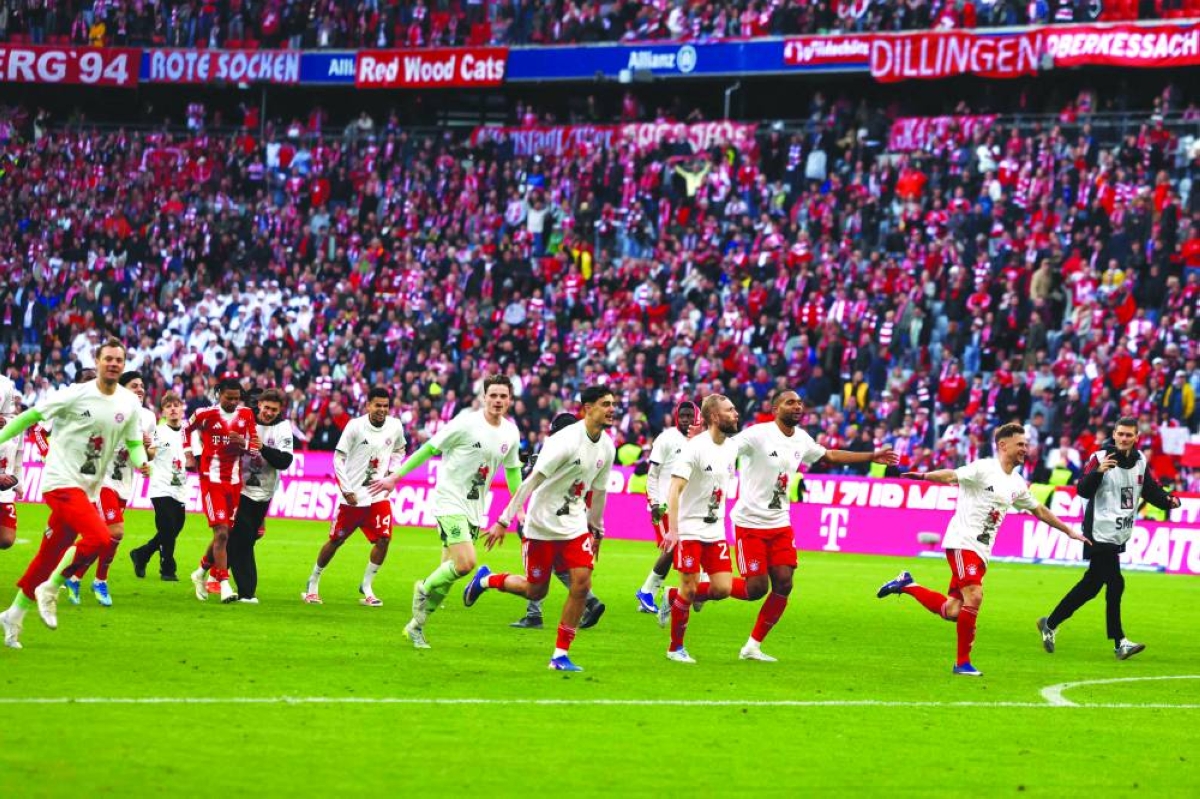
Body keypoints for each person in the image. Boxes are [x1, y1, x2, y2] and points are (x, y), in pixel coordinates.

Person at [876, 423, 1089, 676]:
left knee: (954, 611)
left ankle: (907, 585)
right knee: (975, 595)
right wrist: (924, 476)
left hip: (981, 551)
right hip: (962, 541)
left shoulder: (1017, 483)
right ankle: (962, 663)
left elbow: (1039, 510)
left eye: (1026, 444)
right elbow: (951, 476)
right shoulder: (984, 468)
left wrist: (1070, 531)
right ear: (1003, 445)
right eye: (1020, 444)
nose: (1025, 449)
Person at [728, 390, 899, 661]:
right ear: (775, 409)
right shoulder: (756, 435)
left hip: (780, 522)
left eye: (799, 403)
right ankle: (705, 586)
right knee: (755, 589)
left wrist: (870, 456)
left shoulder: (802, 438)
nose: (797, 406)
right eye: (790, 402)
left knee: (784, 583)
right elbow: (725, 448)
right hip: (750, 522)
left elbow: (829, 456)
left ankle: (752, 646)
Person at [0, 337, 147, 649]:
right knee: (100, 539)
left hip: (88, 489)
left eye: (118, 360)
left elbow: (134, 443)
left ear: (123, 364)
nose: (113, 364)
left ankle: (13, 614)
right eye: (108, 358)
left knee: (47, 556)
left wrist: (142, 462)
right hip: (60, 482)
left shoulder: (129, 403)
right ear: (97, 361)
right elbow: (30, 418)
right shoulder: (74, 394)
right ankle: (51, 589)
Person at [466, 384, 617, 672]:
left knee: (582, 584)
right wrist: (503, 520)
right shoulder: (564, 441)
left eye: (612, 404)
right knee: (535, 592)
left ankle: (560, 654)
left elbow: (598, 491)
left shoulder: (607, 447)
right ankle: (486, 580)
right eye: (605, 404)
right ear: (588, 408)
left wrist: (596, 529)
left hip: (573, 524)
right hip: (542, 524)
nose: (612, 409)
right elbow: (531, 481)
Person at [371, 375, 521, 648]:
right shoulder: (465, 424)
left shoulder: (511, 433)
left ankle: (416, 626)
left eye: (503, 396)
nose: (498, 401)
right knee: (465, 563)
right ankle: (423, 587)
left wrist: (517, 506)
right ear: (484, 397)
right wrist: (396, 476)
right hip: (449, 501)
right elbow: (429, 449)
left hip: (475, 508)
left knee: (450, 574)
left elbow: (512, 471)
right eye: (493, 395)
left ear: (510, 400)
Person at [1037, 417, 1181, 660]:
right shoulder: (1099, 457)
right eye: (1120, 434)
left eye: (1129, 435)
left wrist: (1167, 501)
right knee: (1116, 582)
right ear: (1114, 434)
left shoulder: (1140, 460)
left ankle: (1049, 623)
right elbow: (1082, 489)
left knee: (1091, 586)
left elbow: (1147, 488)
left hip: (1118, 532)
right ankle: (1120, 642)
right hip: (1099, 530)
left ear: (1136, 438)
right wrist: (1098, 472)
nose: (1124, 438)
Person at [59, 370, 157, 607]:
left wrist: (145, 455)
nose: (140, 389)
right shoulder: (112, 410)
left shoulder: (149, 417)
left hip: (124, 483)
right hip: (103, 481)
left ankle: (74, 575)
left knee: (104, 538)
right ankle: (97, 580)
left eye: (142, 385)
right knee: (116, 532)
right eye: (135, 385)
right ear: (123, 390)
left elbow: (149, 453)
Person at [303, 386, 406, 606]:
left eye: (385, 406)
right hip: (353, 496)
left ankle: (367, 586)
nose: (382, 410)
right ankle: (313, 582)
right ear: (368, 405)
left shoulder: (395, 426)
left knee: (384, 539)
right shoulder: (355, 426)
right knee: (336, 540)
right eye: (377, 405)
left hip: (378, 495)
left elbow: (400, 450)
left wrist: (391, 473)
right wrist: (347, 490)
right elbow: (338, 458)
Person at [657, 394, 741, 664]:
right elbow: (675, 488)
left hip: (715, 530)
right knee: (690, 590)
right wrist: (673, 529)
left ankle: (671, 597)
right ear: (715, 417)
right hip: (690, 528)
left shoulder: (732, 448)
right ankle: (675, 648)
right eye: (730, 410)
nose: (736, 413)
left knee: (722, 589)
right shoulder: (693, 448)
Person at [507, 412, 608, 631]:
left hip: (544, 520)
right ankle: (590, 601)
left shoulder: (556, 451)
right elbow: (595, 492)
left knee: (539, 571)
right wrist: (594, 527)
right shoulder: (591, 456)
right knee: (560, 566)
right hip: (575, 522)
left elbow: (529, 484)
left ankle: (535, 614)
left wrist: (511, 517)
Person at [187, 377, 260, 604]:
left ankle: (200, 572)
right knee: (221, 533)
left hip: (235, 483)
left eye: (237, 398)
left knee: (225, 533)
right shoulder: (204, 414)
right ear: (218, 394)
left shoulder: (246, 415)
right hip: (211, 481)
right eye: (229, 398)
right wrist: (191, 453)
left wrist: (244, 444)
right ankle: (223, 583)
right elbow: (184, 429)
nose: (233, 402)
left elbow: (255, 449)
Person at [228, 388, 294, 604]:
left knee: (243, 540)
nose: (268, 412)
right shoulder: (245, 420)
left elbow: (284, 461)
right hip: (241, 489)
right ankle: (246, 592)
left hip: (264, 493)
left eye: (273, 409)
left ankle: (210, 572)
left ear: (279, 410)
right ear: (260, 405)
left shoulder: (283, 427)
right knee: (241, 539)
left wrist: (262, 447)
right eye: (266, 407)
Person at [634, 400, 698, 615]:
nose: (687, 420)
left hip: (684, 506)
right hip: (662, 503)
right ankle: (647, 591)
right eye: (683, 416)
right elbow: (653, 474)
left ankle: (652, 592)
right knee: (672, 547)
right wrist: (653, 502)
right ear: (676, 417)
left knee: (682, 547)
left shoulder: (698, 441)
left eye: (691, 416)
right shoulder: (667, 438)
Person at [129, 392, 189, 580]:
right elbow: (151, 454)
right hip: (160, 486)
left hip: (180, 487)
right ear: (163, 411)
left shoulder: (188, 431)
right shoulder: (158, 431)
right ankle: (168, 569)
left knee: (174, 528)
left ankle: (142, 554)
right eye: (168, 406)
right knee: (168, 527)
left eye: (176, 405)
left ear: (182, 408)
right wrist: (147, 450)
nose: (172, 409)